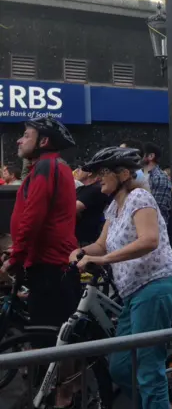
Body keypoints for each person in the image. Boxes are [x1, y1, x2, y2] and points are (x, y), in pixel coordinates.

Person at [71, 147, 172, 409]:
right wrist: (81, 251)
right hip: (132, 293)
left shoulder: (139, 197)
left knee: (148, 367)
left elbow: (149, 240)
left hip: (155, 286)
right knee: (121, 368)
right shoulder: (114, 208)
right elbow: (101, 244)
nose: (97, 178)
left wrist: (103, 260)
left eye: (102, 172)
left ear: (123, 174)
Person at [0, 117, 80, 408]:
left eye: (26, 135)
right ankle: (57, 392)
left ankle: (63, 397)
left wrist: (17, 255)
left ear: (43, 141)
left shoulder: (47, 166)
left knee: (53, 338)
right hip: (48, 264)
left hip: (50, 267)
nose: (20, 140)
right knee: (54, 336)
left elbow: (33, 217)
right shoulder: (48, 167)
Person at [76, 168, 111, 247]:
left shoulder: (96, 189)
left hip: (87, 240)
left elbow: (72, 208)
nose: (77, 171)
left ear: (89, 173)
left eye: (80, 169)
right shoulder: (80, 189)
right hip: (78, 238)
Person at [142, 142, 172, 225]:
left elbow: (157, 208)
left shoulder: (160, 177)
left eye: (141, 153)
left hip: (154, 228)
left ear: (151, 156)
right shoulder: (139, 176)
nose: (138, 156)